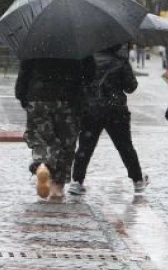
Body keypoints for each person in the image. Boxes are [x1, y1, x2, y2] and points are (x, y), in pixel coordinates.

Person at [69, 44, 149, 196]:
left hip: (92, 109)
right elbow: (131, 87)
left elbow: (79, 84)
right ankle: (137, 181)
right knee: (125, 146)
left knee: (85, 146)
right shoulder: (120, 61)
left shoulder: (87, 60)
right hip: (116, 109)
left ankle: (77, 181)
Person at [15, 56, 94, 199]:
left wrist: (23, 96)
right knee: (66, 143)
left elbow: (24, 72)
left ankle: (42, 165)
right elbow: (90, 74)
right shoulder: (78, 43)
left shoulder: (35, 43)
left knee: (40, 137)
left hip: (38, 96)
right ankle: (57, 186)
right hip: (68, 98)